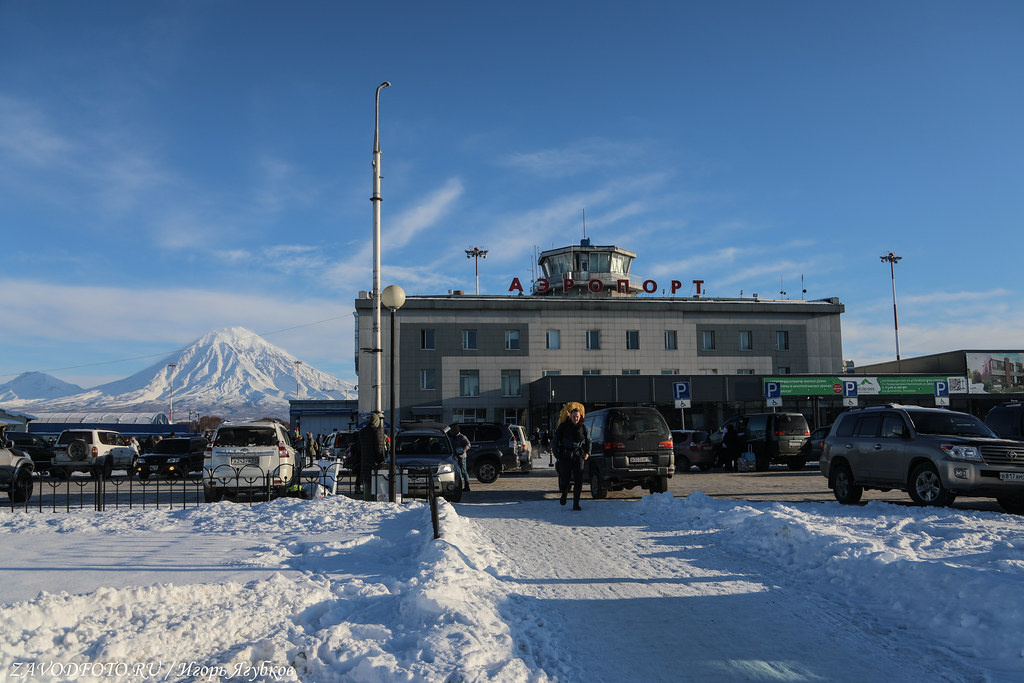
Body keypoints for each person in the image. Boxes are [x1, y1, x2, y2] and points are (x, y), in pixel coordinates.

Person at [553, 405, 591, 510]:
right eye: (574, 416)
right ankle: (564, 493)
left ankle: (576, 504)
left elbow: (589, 440)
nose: (576, 418)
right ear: (570, 416)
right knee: (565, 478)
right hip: (565, 455)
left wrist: (588, 452)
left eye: (577, 417)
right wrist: (557, 454)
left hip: (578, 455)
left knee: (579, 480)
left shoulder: (583, 427)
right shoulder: (563, 427)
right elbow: (555, 441)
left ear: (580, 417)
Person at [357, 413, 386, 501]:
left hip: (364, 461)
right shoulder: (376, 431)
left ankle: (367, 500)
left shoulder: (362, 432)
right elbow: (379, 447)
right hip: (374, 463)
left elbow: (359, 448)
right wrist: (381, 460)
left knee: (367, 485)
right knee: (376, 484)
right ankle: (374, 501)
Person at [449, 424, 471, 492]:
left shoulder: (462, 437)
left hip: (461, 457)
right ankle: (457, 486)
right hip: (454, 457)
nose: (451, 432)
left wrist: (462, 451)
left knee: (463, 471)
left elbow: (468, 445)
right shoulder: (452, 438)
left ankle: (467, 486)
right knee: (456, 472)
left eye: (452, 431)